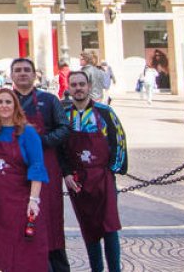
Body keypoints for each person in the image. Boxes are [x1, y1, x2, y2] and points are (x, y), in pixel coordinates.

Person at [0, 88, 48, 272]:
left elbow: (37, 166)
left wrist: (34, 200)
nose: (4, 106)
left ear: (15, 105)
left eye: (8, 102)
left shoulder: (28, 132)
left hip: (20, 201)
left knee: (24, 253)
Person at [10, 57, 70, 272]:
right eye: (18, 70)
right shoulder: (6, 100)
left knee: (50, 219)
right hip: (16, 169)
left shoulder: (49, 100)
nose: (22, 73)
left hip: (46, 166)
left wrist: (39, 143)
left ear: (34, 75)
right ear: (11, 76)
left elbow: (64, 128)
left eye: (27, 70)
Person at [63, 72, 127, 272]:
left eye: (82, 84)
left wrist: (112, 170)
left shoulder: (104, 112)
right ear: (69, 87)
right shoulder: (65, 115)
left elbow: (119, 140)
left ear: (89, 86)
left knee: (109, 227)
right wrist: (66, 173)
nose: (78, 88)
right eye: (74, 85)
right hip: (78, 179)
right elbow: (61, 148)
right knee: (88, 227)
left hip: (102, 177)